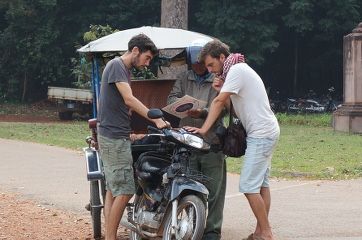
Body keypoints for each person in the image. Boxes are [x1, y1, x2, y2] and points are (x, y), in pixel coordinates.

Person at [186, 39, 280, 240]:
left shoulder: (236, 71)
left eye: (211, 64)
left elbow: (219, 103)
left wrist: (203, 129)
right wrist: (222, 90)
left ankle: (267, 233)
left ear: (222, 57)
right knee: (261, 184)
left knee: (248, 186)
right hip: (266, 131)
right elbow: (233, 107)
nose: (210, 70)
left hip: (261, 133)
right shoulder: (235, 71)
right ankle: (260, 232)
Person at [97, 34, 168, 240]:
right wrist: (155, 119)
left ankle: (110, 236)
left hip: (114, 134)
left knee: (113, 189)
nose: (147, 64)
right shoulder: (117, 65)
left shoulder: (122, 69)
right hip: (114, 137)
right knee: (126, 190)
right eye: (147, 58)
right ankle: (111, 237)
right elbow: (129, 99)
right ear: (135, 50)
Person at [167, 39, 227, 240]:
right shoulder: (184, 77)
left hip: (212, 142)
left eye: (202, 63)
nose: (199, 66)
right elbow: (171, 99)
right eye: (195, 63)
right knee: (189, 185)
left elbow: (224, 106)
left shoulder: (219, 79)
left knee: (215, 190)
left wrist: (201, 112)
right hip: (187, 140)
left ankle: (212, 231)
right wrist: (181, 104)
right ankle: (191, 225)